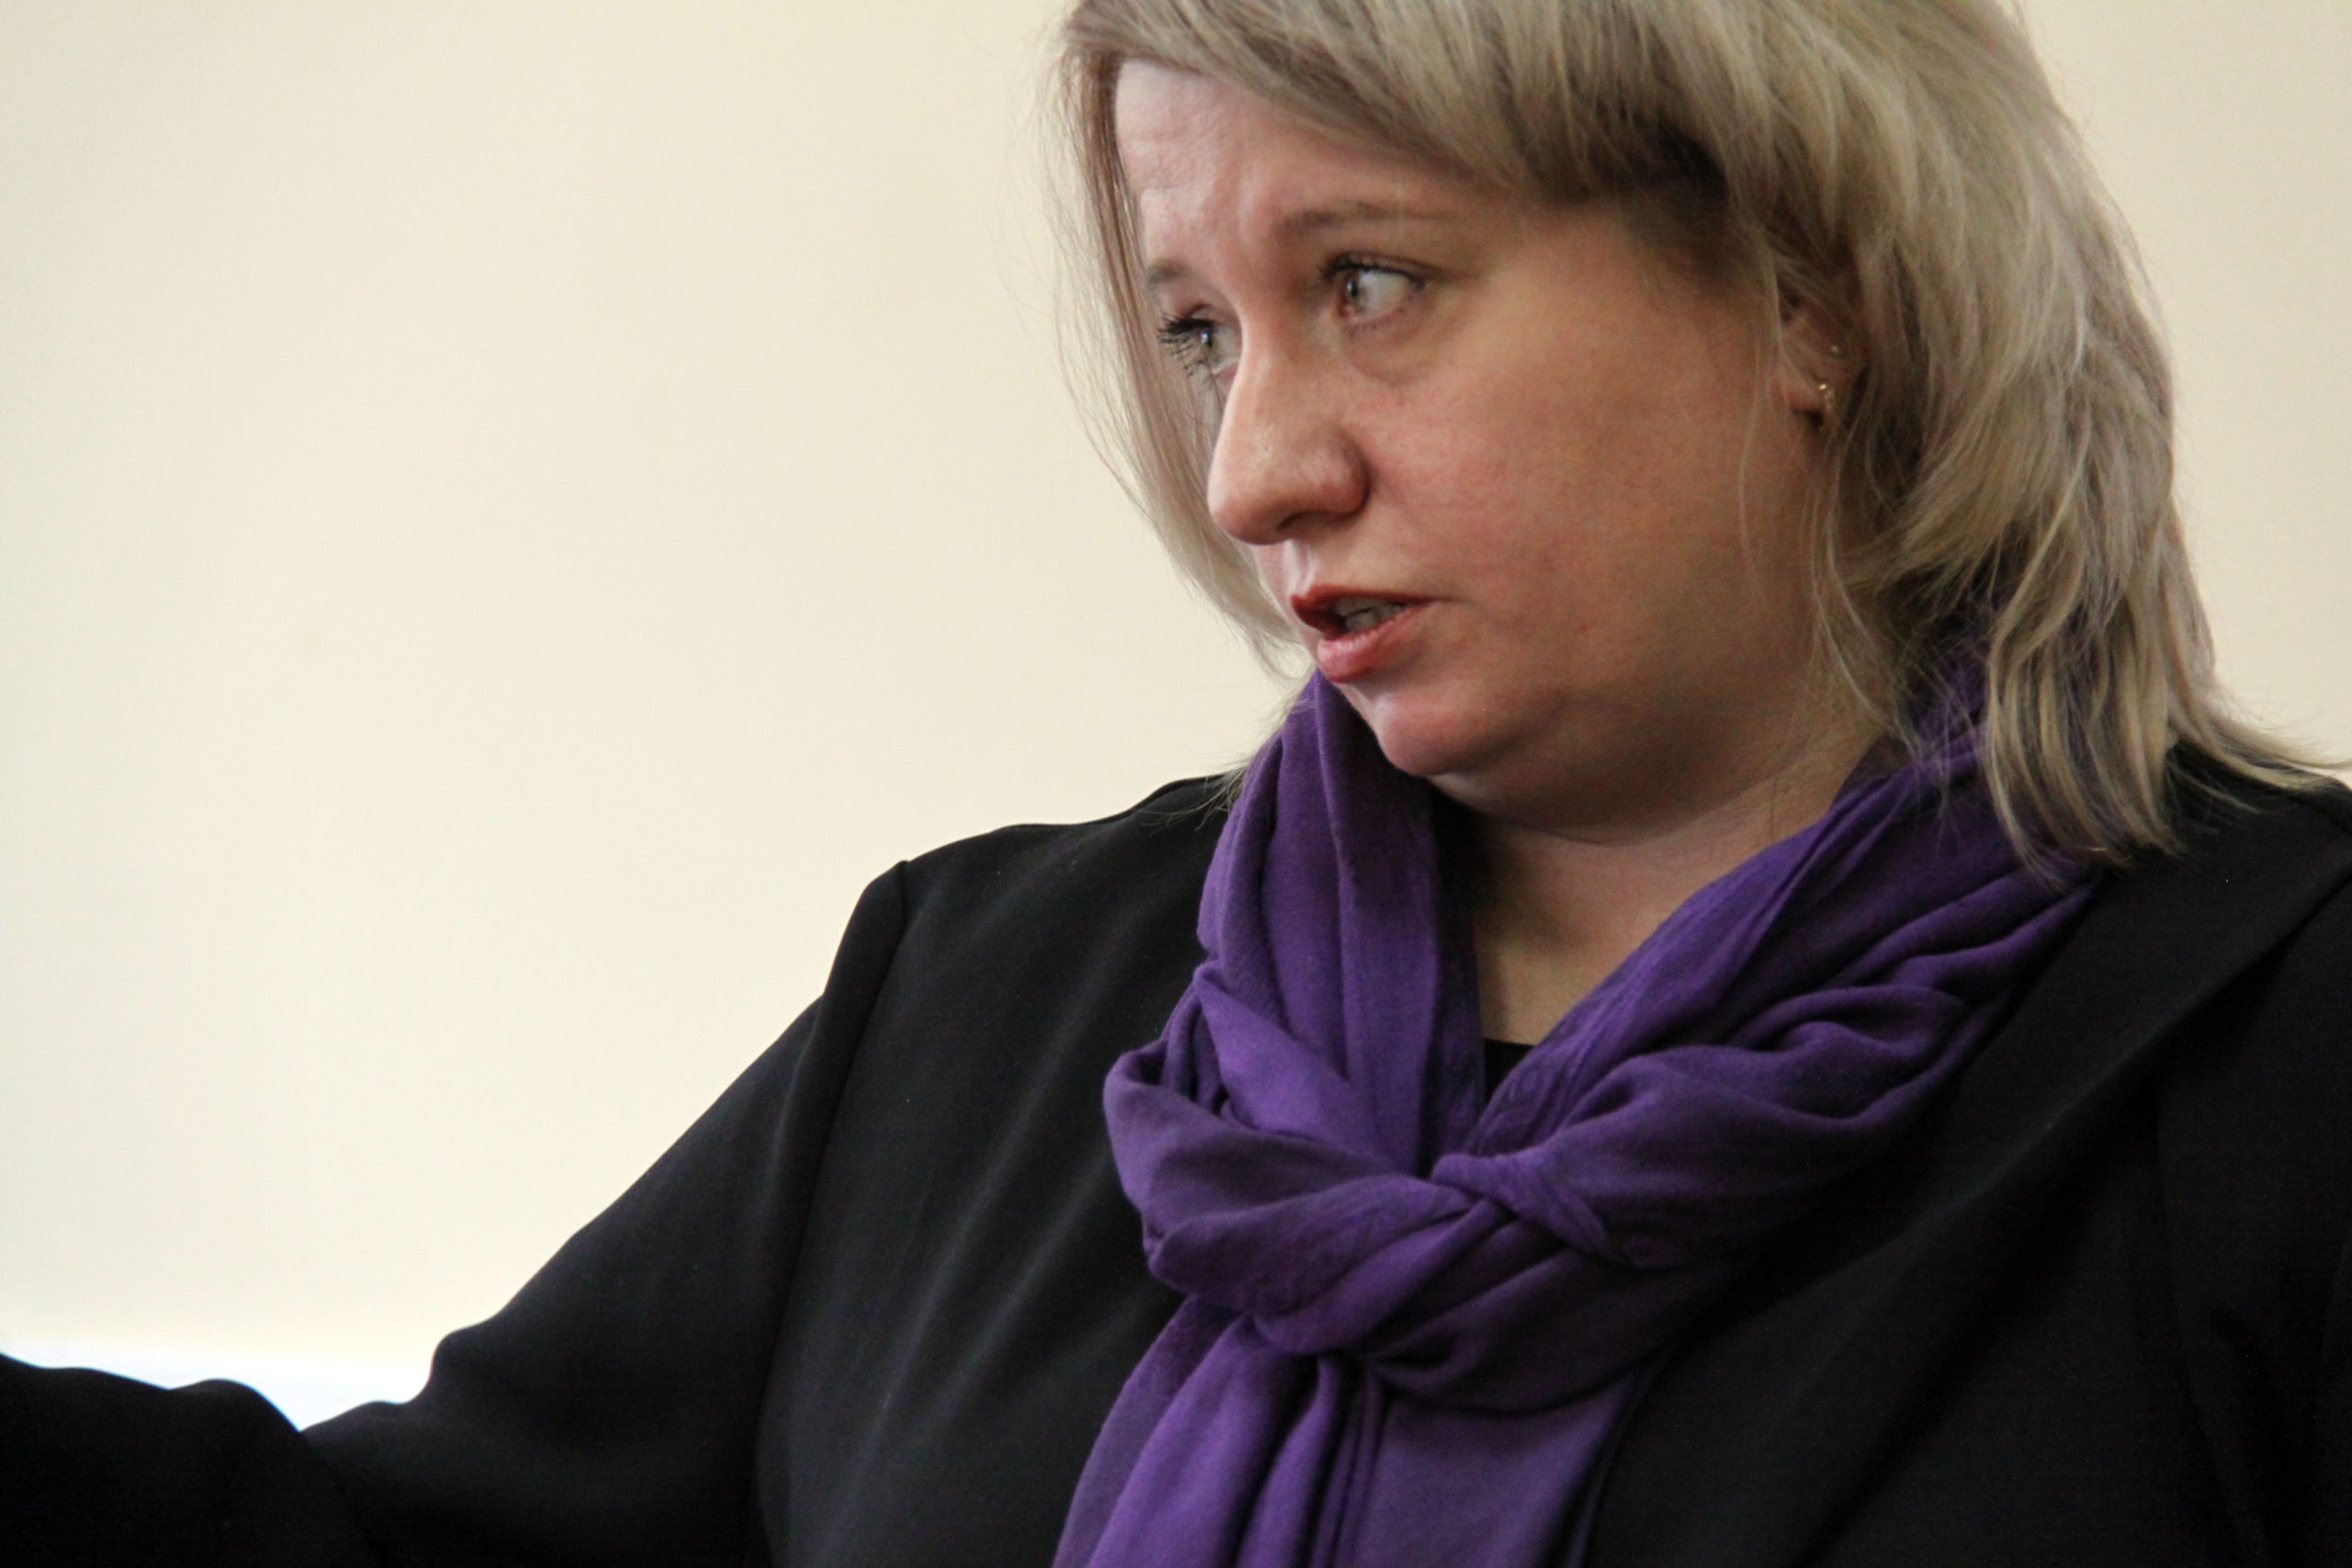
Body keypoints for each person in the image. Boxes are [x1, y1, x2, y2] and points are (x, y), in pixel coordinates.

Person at [6, 0, 2349, 1563]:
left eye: (1369, 284)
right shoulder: (984, 994)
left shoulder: (2277, 1043)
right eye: (1199, 326)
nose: (1251, 472)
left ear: (1811, 282)